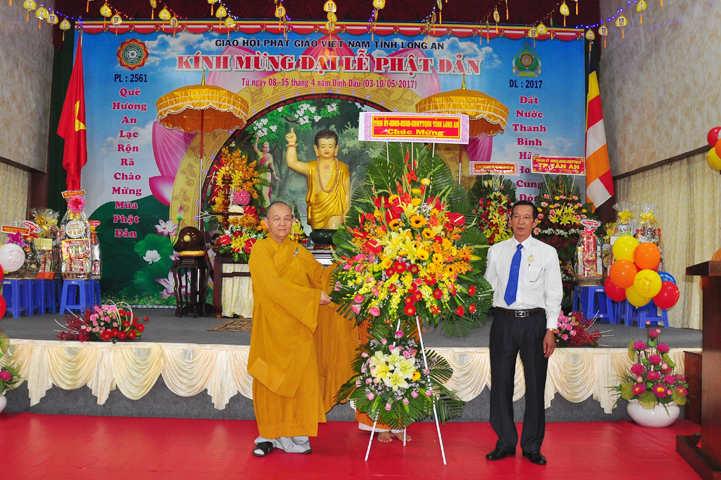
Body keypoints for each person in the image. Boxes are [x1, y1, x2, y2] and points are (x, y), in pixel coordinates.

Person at [247, 201, 356, 457]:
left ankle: (296, 433)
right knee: (271, 380)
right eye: (276, 219)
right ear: (266, 223)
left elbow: (320, 276)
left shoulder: (298, 250)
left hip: (299, 327)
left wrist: (346, 270)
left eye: (287, 218)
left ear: (294, 222)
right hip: (272, 326)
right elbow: (272, 287)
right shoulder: (260, 250)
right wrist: (311, 298)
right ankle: (269, 436)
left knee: (299, 380)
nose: (282, 223)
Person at [483, 200, 562, 466]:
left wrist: (551, 329)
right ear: (509, 220)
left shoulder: (547, 253)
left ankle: (532, 446)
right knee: (501, 384)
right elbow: (488, 288)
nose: (520, 221)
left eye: (526, 217)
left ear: (535, 222)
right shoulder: (496, 251)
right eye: (516, 216)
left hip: (534, 324)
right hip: (503, 323)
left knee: (536, 384)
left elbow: (554, 293)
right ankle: (505, 442)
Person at [284, 128, 350, 230]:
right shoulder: (312, 167)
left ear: (336, 148)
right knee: (318, 236)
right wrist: (291, 144)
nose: (326, 149)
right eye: (323, 146)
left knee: (333, 233)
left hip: (336, 209)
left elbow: (346, 194)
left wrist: (346, 213)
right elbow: (292, 163)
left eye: (330, 146)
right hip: (317, 209)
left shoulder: (342, 168)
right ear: (316, 149)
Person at [253, 134, 281, 203]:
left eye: (268, 147)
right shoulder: (260, 154)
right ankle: (262, 206)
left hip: (267, 175)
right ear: (262, 148)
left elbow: (272, 166)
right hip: (260, 174)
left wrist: (275, 176)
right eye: (265, 147)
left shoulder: (269, 156)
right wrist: (257, 139)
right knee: (258, 190)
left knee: (265, 192)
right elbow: (255, 148)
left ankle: (267, 207)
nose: (266, 149)